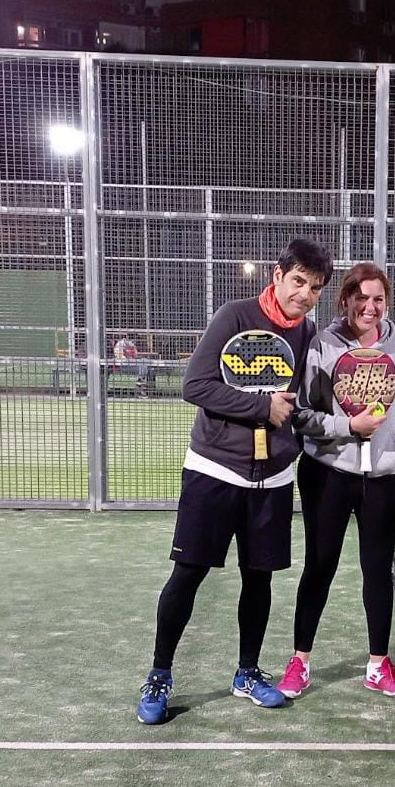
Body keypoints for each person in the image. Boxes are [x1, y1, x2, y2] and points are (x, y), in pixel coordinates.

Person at [136, 239, 333, 725]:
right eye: (298, 282)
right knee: (188, 574)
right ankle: (159, 675)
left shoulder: (308, 333)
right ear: (277, 275)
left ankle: (247, 672)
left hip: (273, 478)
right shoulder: (234, 316)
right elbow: (195, 385)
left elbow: (303, 403)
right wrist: (261, 407)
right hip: (215, 470)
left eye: (315, 289)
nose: (305, 295)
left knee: (259, 578)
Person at [281, 262, 395, 700]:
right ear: (345, 299)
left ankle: (378, 665)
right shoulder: (324, 344)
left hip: (385, 476)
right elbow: (301, 415)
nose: (370, 307)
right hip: (328, 473)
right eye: (362, 298)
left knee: (378, 569)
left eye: (378, 299)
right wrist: (348, 427)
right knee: (320, 565)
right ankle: (300, 661)